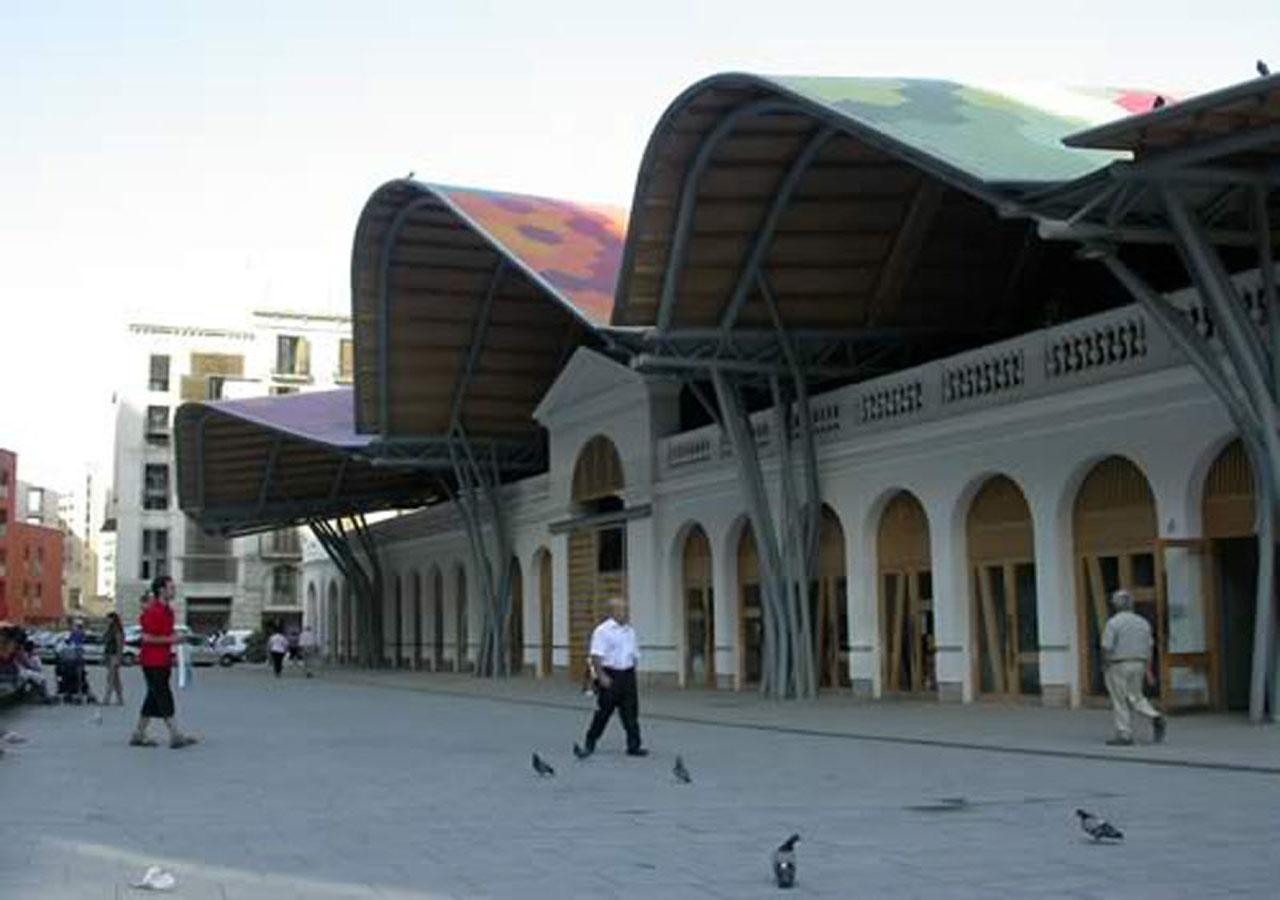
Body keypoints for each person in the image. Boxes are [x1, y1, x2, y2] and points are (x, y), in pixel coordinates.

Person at [130, 575, 197, 749]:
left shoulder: (168, 611)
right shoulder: (154, 611)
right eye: (171, 587)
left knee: (153, 697)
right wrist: (172, 640)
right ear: (161, 590)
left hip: (162, 660)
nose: (174, 590)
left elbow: (165, 634)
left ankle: (138, 734)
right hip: (152, 661)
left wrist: (175, 640)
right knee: (163, 695)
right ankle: (175, 734)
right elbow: (147, 637)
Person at [578, 597, 647, 757]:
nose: (625, 613)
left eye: (626, 609)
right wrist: (601, 676)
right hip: (610, 674)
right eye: (622, 609)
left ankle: (634, 746)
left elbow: (635, 654)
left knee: (631, 713)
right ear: (612, 612)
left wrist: (633, 671)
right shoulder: (602, 631)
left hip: (627, 675)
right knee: (604, 712)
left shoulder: (630, 631)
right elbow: (596, 656)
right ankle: (590, 741)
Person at [1101, 589, 1166, 746]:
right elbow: (1150, 647)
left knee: (1119, 700)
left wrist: (1104, 663)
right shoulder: (1143, 623)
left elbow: (1106, 646)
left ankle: (1124, 734)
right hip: (1139, 663)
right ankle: (1155, 716)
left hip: (1118, 664)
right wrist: (1149, 670)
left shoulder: (1113, 623)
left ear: (1116, 605)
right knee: (1136, 696)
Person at [102, 612, 125, 706]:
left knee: (110, 678)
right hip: (109, 654)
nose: (107, 620)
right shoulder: (109, 629)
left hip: (114, 655)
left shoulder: (116, 630)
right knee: (116, 679)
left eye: (109, 619)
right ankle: (120, 699)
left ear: (113, 619)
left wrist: (119, 657)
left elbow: (120, 644)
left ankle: (107, 698)